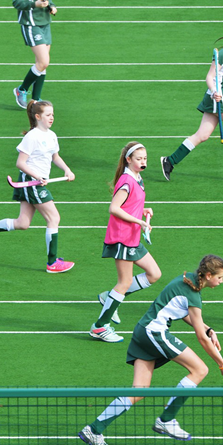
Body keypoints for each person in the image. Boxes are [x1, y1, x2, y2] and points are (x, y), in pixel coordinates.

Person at [78, 255, 223, 445]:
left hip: (142, 331)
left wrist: (209, 329)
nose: (222, 281)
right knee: (200, 369)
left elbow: (185, 313)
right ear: (209, 275)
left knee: (138, 391)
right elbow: (201, 338)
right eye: (220, 277)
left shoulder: (187, 280)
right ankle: (167, 420)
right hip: (154, 332)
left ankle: (94, 430)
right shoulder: (193, 294)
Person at [0, 101, 76, 273]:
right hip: (31, 182)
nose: (52, 118)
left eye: (53, 115)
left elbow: (55, 156)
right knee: (54, 218)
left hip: (37, 182)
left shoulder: (51, 135)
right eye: (48, 115)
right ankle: (52, 262)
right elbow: (20, 163)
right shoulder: (32, 137)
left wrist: (67, 170)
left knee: (23, 223)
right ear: (38, 116)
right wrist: (37, 176)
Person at [161, 23, 223, 182]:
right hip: (218, 97)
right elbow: (209, 77)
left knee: (202, 135)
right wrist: (214, 92)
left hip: (222, 96)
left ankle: (169, 161)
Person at [89, 142, 162, 343]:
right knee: (125, 282)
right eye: (139, 159)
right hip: (122, 237)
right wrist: (139, 221)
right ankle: (99, 326)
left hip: (132, 237)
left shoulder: (138, 178)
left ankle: (109, 297)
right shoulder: (126, 181)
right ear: (128, 160)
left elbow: (130, 204)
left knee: (154, 274)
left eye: (145, 158)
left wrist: (143, 210)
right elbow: (114, 208)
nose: (143, 162)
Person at [12, 0, 56, 108]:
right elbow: (17, 1)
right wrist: (34, 4)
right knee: (43, 62)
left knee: (41, 64)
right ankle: (21, 89)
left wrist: (51, 6)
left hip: (45, 23)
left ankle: (36, 99)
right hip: (31, 24)